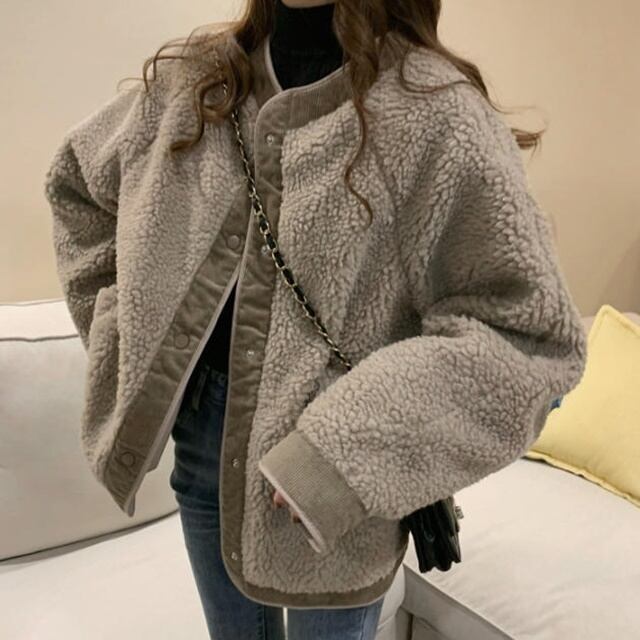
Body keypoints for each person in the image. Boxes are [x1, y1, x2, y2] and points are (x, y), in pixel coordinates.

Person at [44, 0, 588, 638]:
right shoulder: (191, 82)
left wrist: (346, 450)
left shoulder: (436, 110)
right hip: (202, 447)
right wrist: (126, 337)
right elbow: (78, 186)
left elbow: (528, 337)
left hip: (340, 476)